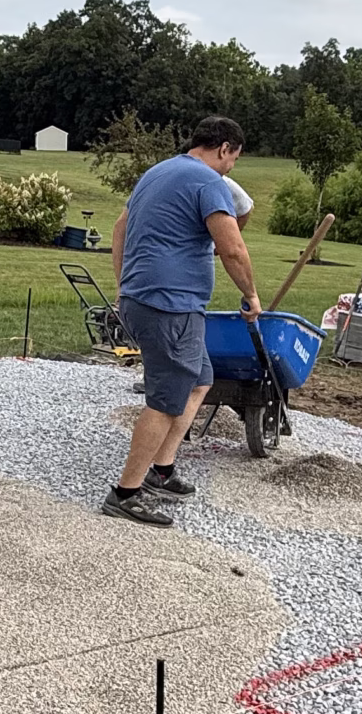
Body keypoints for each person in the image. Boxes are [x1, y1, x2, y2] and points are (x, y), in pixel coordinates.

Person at [102, 115, 260, 526]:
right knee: (165, 401)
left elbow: (119, 228)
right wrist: (251, 295)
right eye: (234, 159)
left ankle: (162, 470)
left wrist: (123, 285)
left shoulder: (157, 172)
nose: (231, 168)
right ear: (224, 148)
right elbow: (233, 250)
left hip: (144, 300)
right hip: (170, 307)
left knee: (200, 380)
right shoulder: (209, 182)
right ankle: (125, 493)